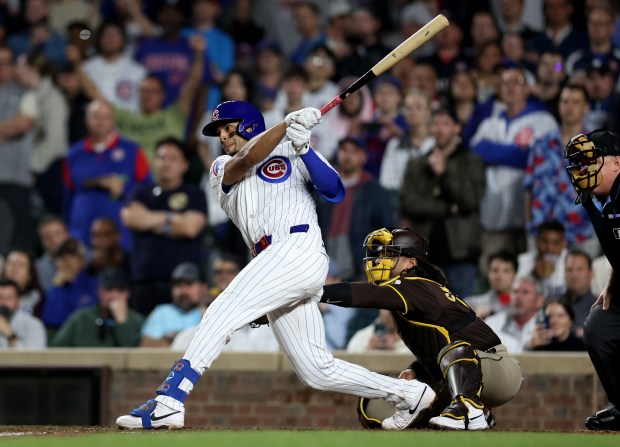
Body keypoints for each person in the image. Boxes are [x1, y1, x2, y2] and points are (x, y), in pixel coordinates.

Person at [116, 101, 437, 431]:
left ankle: (170, 400)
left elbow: (334, 190)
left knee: (220, 310)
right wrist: (285, 125)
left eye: (230, 128)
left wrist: (304, 148)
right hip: (270, 260)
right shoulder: (220, 166)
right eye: (220, 132)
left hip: (298, 248)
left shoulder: (291, 148)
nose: (224, 137)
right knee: (316, 370)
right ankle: (409, 394)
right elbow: (249, 159)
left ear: (251, 124)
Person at [320, 227, 522, 430]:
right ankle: (467, 414)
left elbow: (366, 294)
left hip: (497, 366)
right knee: (372, 409)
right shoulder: (410, 289)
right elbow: (437, 342)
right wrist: (416, 370)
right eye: (379, 255)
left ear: (411, 262)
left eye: (390, 254)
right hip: (458, 372)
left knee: (456, 350)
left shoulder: (416, 285)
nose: (380, 260)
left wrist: (314, 291)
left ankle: (470, 409)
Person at [564, 129, 620, 430]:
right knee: (598, 327)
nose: (582, 169)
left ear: (617, 164)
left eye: (590, 160)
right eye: (578, 163)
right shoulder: (591, 196)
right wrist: (613, 280)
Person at [121, 137, 207, 315]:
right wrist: (173, 218)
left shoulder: (194, 194)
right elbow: (130, 218)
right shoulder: (140, 192)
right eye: (161, 157)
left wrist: (148, 220)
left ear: (184, 165)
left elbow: (190, 228)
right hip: (144, 283)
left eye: (172, 158)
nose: (165, 163)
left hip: (183, 286)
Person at [51, 267, 144, 347]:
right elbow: (57, 347)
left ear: (127, 294)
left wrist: (122, 321)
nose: (113, 296)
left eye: (120, 290)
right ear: (99, 292)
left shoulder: (137, 321)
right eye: (109, 289)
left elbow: (135, 355)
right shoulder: (81, 318)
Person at [139, 262, 207, 348]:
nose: (183, 291)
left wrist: (176, 339)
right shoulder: (162, 312)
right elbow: (145, 344)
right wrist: (178, 342)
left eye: (188, 285)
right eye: (178, 286)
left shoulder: (210, 312)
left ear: (203, 287)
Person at [484, 275, 545, 354]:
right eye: (515, 291)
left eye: (525, 292)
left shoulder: (545, 328)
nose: (518, 296)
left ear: (539, 300)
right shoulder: (492, 324)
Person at [465, 251, 518, 319]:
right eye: (495, 270)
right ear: (488, 273)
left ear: (515, 274)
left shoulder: (528, 304)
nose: (499, 276)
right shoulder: (473, 304)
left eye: (506, 271)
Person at [0, 278, 46, 349]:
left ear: (18, 301)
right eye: (0, 298)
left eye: (9, 298)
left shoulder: (33, 325)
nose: (3, 303)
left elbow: (35, 358)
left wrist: (11, 336)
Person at [562, 248, 596, 336]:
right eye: (569, 269)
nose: (574, 275)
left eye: (580, 269)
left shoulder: (601, 307)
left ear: (591, 273)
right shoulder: (553, 304)